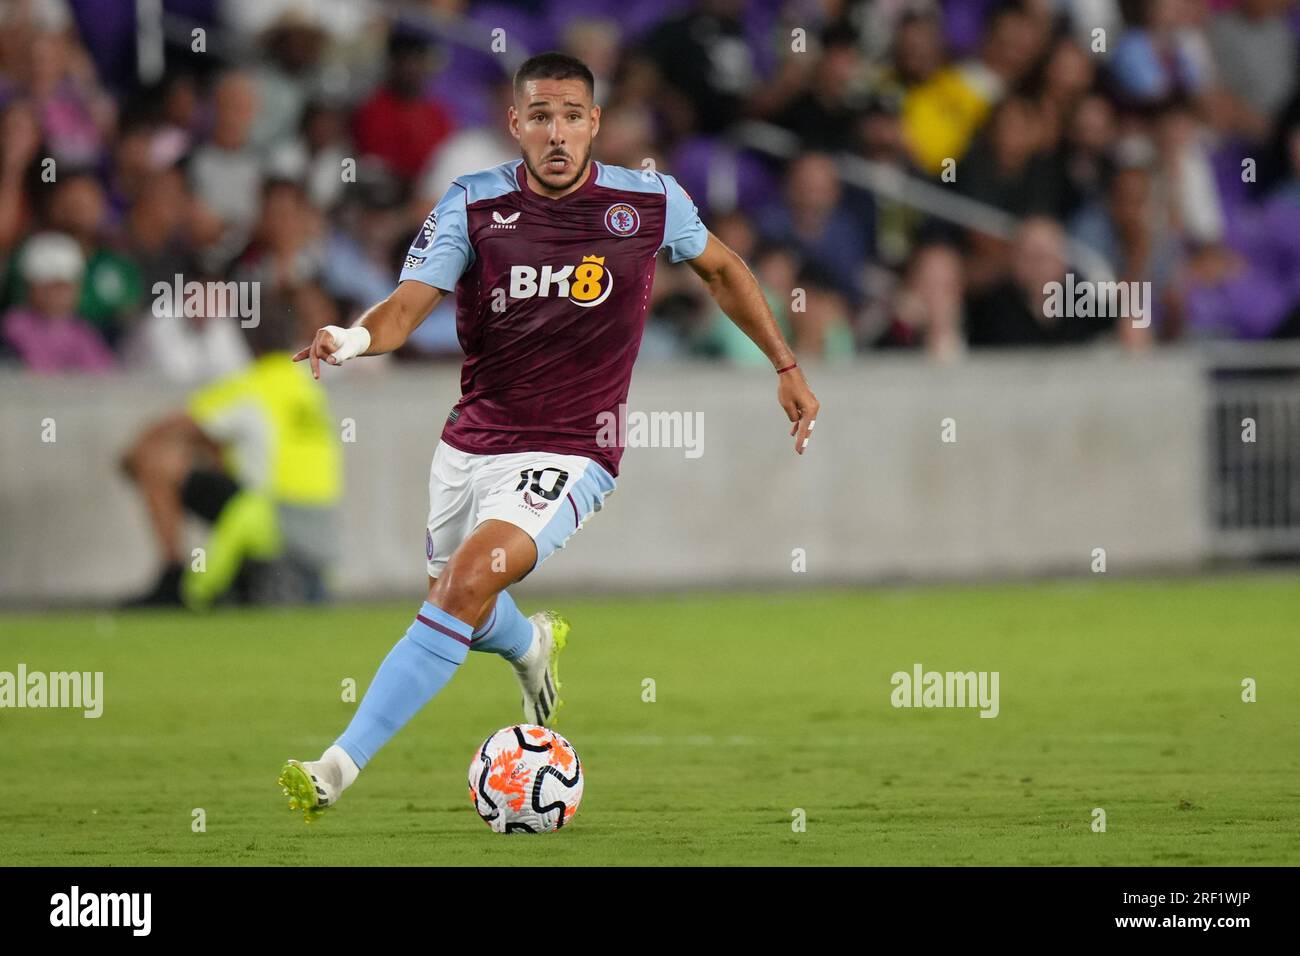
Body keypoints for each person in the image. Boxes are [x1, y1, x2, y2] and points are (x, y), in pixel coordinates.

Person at [277, 52, 820, 821]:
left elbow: (725, 272)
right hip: (471, 444)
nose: (556, 132)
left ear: (595, 123)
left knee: (463, 585)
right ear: (516, 124)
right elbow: (406, 305)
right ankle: (530, 645)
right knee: (455, 594)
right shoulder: (472, 203)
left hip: (572, 450)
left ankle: (336, 767)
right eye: (540, 116)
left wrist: (785, 363)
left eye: (571, 116)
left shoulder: (649, 203)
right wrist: (353, 339)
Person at [120, 299, 341, 608]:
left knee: (157, 460)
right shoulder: (308, 390)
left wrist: (131, 456)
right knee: (216, 448)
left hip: (265, 516)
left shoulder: (250, 387)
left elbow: (172, 426)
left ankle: (173, 577)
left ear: (248, 341)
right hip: (320, 522)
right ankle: (254, 577)